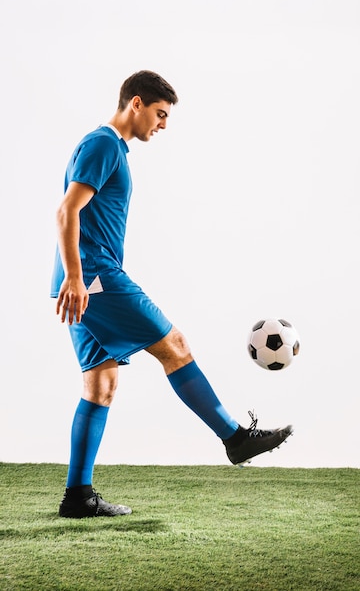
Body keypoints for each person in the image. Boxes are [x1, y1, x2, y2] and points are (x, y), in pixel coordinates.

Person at [51, 70, 293, 518]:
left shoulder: (111, 148)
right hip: (96, 279)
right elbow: (67, 210)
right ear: (136, 103)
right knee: (175, 346)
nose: (162, 125)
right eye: (160, 114)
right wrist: (75, 277)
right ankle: (235, 437)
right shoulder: (103, 144)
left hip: (89, 282)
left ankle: (77, 496)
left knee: (101, 384)